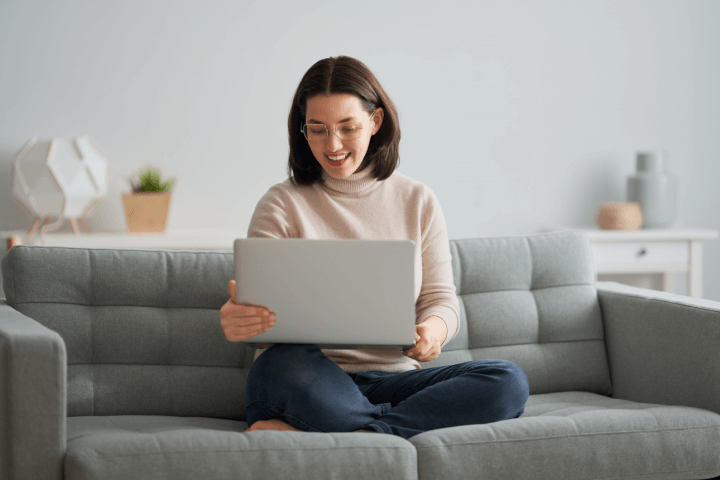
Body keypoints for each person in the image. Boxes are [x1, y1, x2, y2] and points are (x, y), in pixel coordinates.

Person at [219, 56, 529, 439]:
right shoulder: (281, 203)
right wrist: (241, 318)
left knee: (507, 379)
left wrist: (433, 330)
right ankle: (386, 430)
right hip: (311, 379)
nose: (332, 145)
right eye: (317, 130)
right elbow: (257, 309)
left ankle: (359, 435)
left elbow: (440, 299)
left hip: (394, 382)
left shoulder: (417, 199)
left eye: (347, 128)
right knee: (277, 364)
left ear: (375, 122)